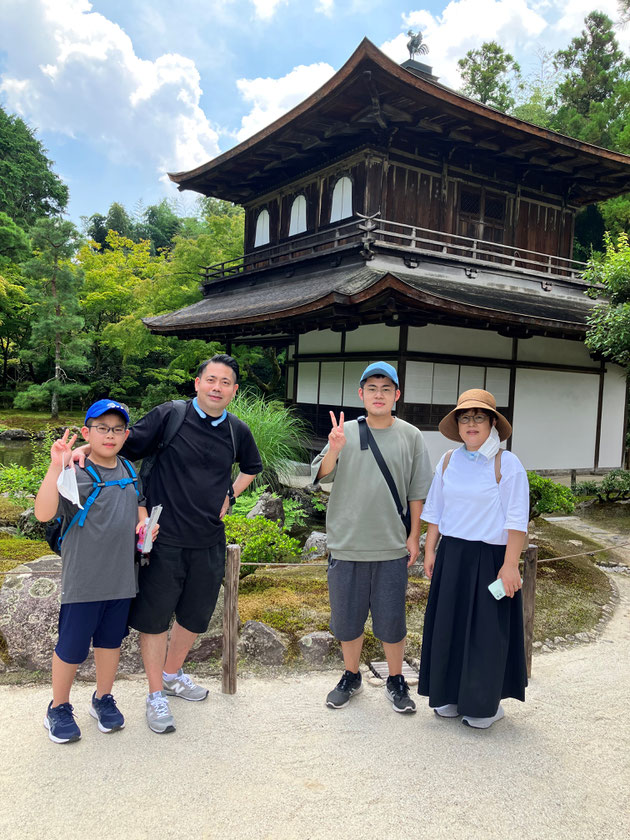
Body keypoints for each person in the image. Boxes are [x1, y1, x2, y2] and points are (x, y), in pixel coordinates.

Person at [75, 355, 262, 734]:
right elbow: (121, 448)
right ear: (197, 383)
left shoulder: (236, 431)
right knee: (155, 619)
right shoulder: (170, 415)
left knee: (194, 617)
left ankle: (173, 673)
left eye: (225, 382)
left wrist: (231, 494)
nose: (217, 387)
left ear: (234, 391)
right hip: (163, 538)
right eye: (210, 379)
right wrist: (85, 453)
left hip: (208, 538)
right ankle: (155, 693)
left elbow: (251, 467)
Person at [312, 361, 433, 713]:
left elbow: (417, 493)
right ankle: (351, 675)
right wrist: (334, 448)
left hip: (391, 545)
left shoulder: (411, 435)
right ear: (360, 394)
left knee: (392, 620)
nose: (378, 395)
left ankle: (396, 680)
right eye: (371, 389)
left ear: (397, 395)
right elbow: (320, 477)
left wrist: (415, 536)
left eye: (385, 389)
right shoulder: (345, 431)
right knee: (347, 621)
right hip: (346, 543)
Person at [35, 399, 151, 743]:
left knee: (110, 643)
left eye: (117, 429)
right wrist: (56, 466)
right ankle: (58, 706)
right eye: (102, 428)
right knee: (70, 647)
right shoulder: (76, 471)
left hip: (122, 580)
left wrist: (145, 527)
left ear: (126, 434)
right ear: (87, 432)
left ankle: (103, 697)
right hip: (83, 581)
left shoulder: (131, 470)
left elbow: (139, 506)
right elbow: (44, 513)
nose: (110, 435)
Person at [419, 389, 529, 728]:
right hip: (453, 554)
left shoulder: (506, 464)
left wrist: (510, 565)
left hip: (490, 557)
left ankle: (484, 705)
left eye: (479, 417)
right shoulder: (449, 459)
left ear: (492, 423)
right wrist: (430, 548)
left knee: (485, 633)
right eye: (464, 417)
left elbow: (516, 519)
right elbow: (436, 508)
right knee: (448, 625)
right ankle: (449, 694)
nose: (471, 424)